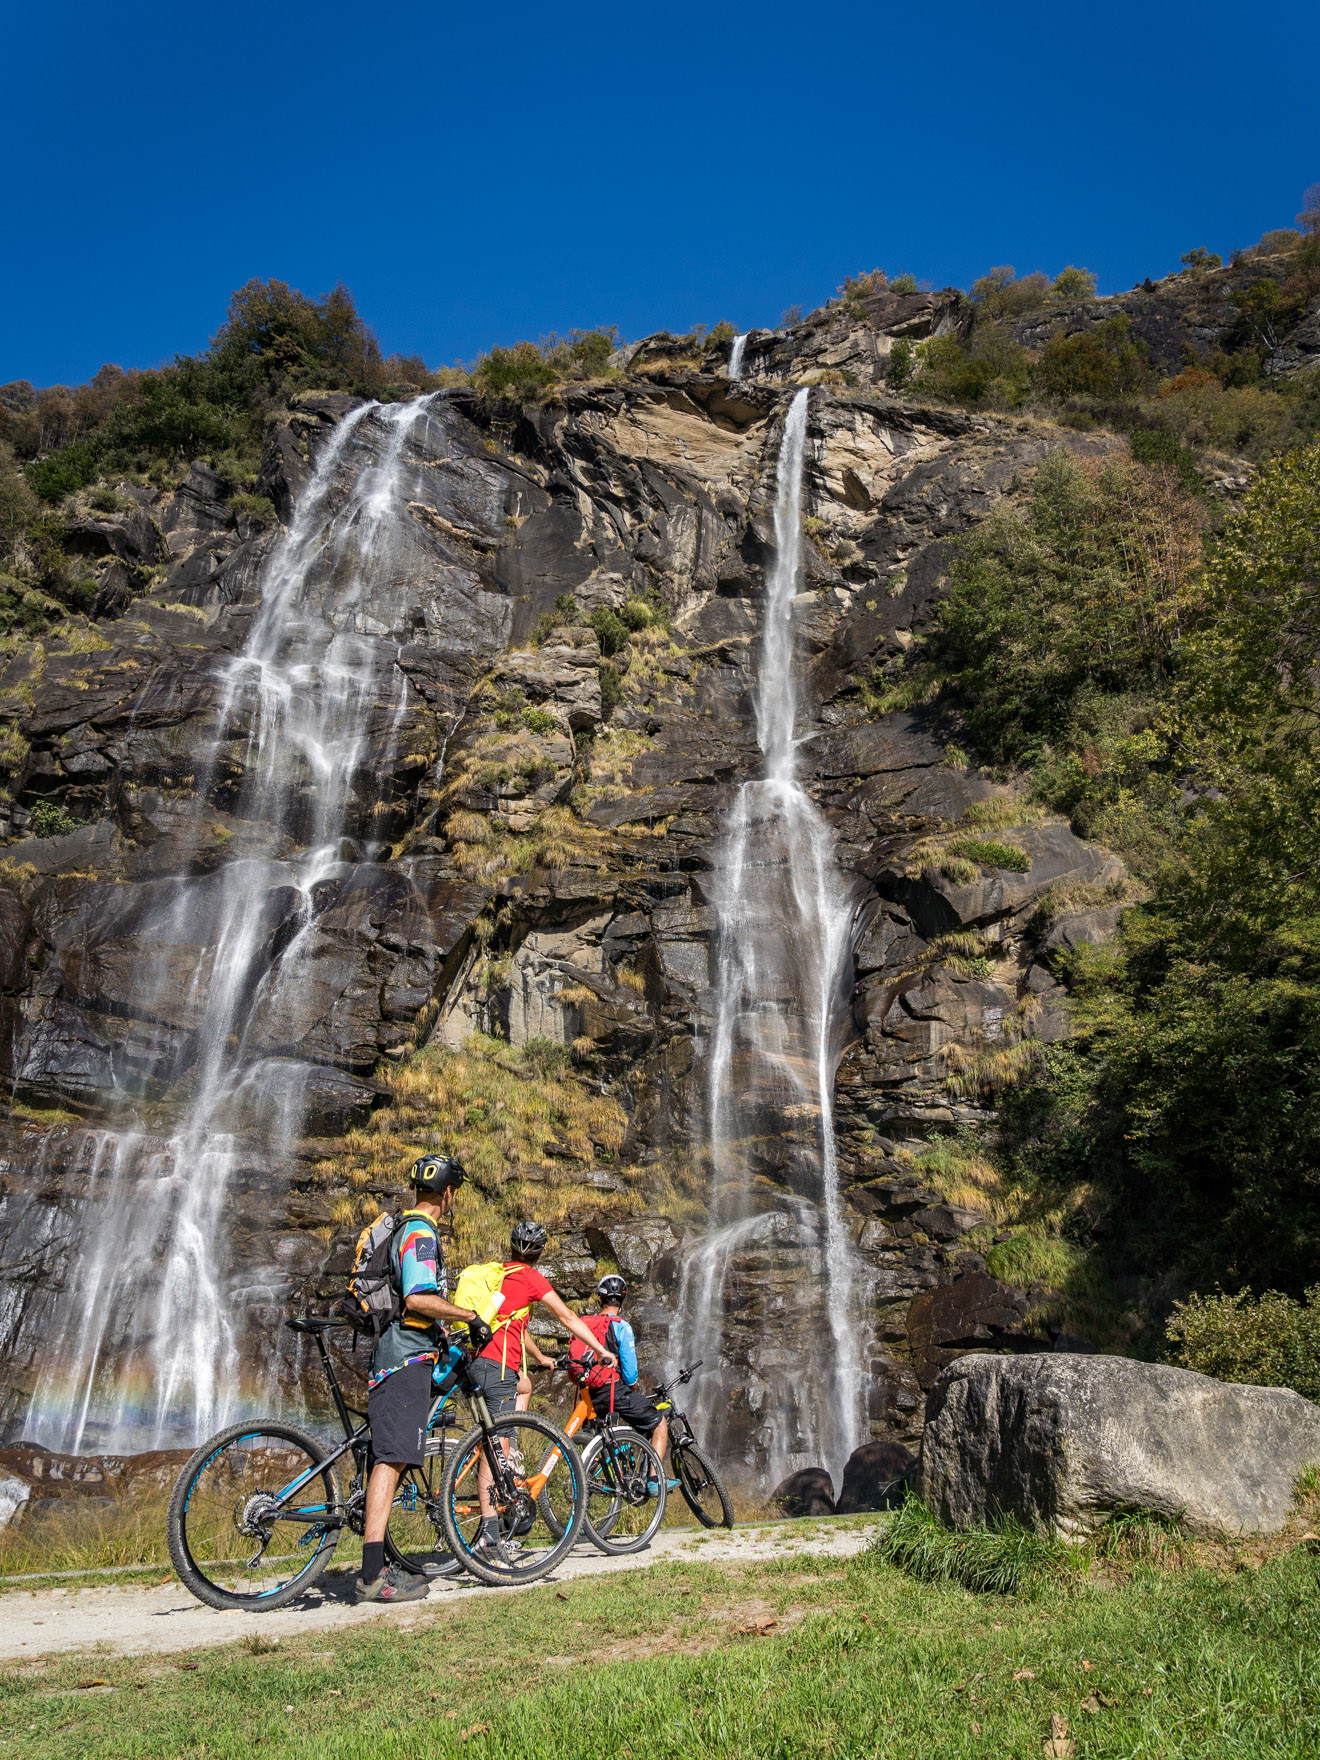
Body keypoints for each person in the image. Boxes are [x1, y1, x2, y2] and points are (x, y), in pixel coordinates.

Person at [357, 1154, 491, 1604]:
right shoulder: (420, 1233)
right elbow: (417, 1299)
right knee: (391, 1457)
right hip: (404, 1358)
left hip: (408, 1353)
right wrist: (469, 1315)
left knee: (392, 1452)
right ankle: (373, 1575)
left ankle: (380, 1560)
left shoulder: (404, 1226)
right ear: (448, 1193)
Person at [467, 1220, 616, 1558]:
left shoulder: (499, 1274)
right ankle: (490, 1537)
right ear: (538, 1253)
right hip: (497, 1367)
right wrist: (602, 1350)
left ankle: (501, 1504)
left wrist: (539, 1356)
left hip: (478, 1364)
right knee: (496, 1449)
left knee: (524, 1387)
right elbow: (566, 1317)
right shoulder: (529, 1277)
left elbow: (512, 1324)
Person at [577, 1274, 670, 1472]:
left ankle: (586, 1480)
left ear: (600, 1299)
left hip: (588, 1394)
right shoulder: (622, 1327)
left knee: (595, 1442)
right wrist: (631, 1384)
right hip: (612, 1392)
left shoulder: (584, 1325)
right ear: (622, 1300)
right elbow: (629, 1375)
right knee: (659, 1423)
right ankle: (655, 1479)